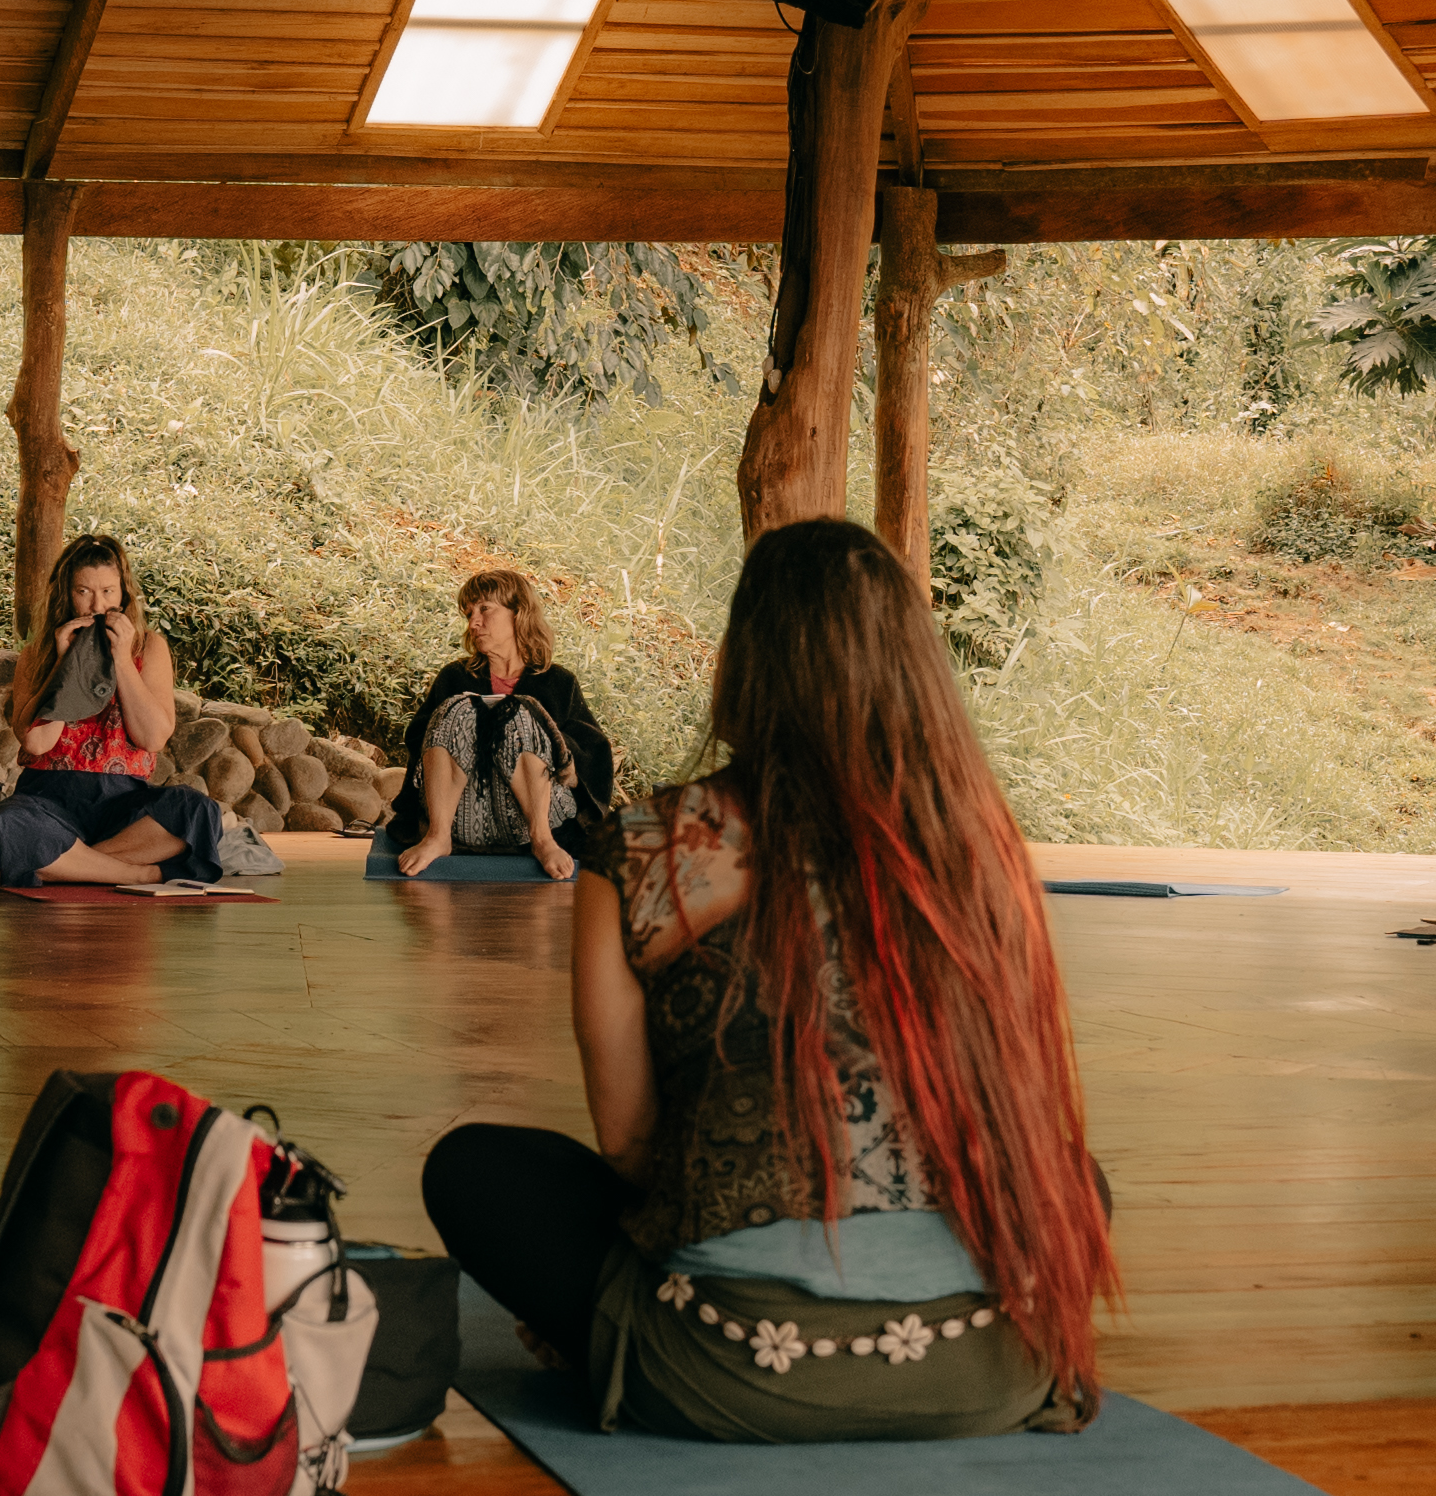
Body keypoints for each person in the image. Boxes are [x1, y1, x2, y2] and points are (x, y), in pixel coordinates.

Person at [417, 518, 1116, 1439]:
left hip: (730, 1365)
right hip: (992, 1364)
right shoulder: (981, 852)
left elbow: (628, 1144)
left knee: (477, 1170)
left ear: (744, 663)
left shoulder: (646, 848)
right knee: (1080, 1176)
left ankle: (630, 1329)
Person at [0, 533, 214, 889]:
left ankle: (67, 862)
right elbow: (36, 743)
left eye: (108, 591)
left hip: (125, 804)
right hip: (50, 799)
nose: (97, 605)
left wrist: (123, 660)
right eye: (84, 592)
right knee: (9, 822)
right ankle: (136, 873)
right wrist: (64, 665)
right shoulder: (39, 653)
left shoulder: (149, 647)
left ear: (123, 592)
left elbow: (152, 738)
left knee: (196, 810)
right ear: (66, 594)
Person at [386, 565, 618, 882]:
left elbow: (592, 753)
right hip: (462, 813)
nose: (474, 622)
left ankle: (542, 841)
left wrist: (530, 735)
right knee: (457, 706)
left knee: (521, 712)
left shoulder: (558, 682)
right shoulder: (454, 677)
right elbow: (420, 742)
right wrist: (472, 729)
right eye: (469, 614)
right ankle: (438, 838)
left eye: (484, 609)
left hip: (532, 817)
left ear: (518, 613)